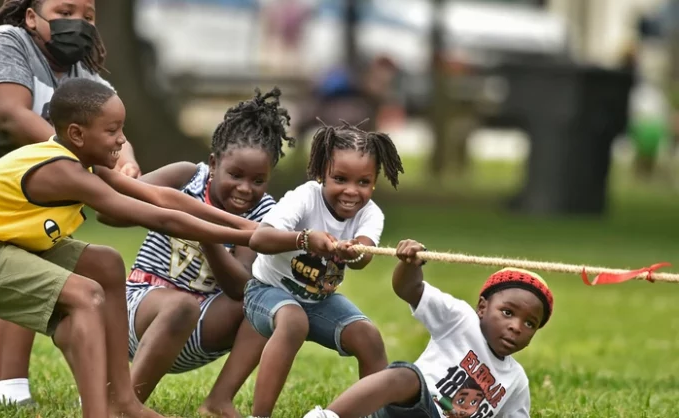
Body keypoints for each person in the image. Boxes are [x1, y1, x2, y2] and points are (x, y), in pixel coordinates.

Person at [0, 78, 257, 418]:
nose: (123, 140)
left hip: (0, 242)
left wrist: (248, 228)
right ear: (78, 135)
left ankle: (123, 402)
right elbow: (161, 218)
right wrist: (248, 237)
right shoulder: (64, 170)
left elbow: (163, 196)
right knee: (86, 295)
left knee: (107, 263)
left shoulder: (79, 159)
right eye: (112, 131)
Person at [0, 0, 141, 405]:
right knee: (27, 231)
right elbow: (11, 116)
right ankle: (9, 386)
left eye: (88, 16)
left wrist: (126, 165)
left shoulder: (80, 73)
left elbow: (112, 132)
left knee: (87, 274)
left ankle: (111, 397)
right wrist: (93, 173)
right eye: (65, 11)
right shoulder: (6, 42)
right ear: (32, 17)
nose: (78, 24)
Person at [110, 87, 295, 417]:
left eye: (258, 180)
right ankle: (123, 406)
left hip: (198, 331)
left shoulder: (266, 214)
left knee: (266, 304)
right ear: (213, 163)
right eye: (235, 175)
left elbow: (239, 287)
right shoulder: (185, 177)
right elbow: (110, 213)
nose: (244, 189)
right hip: (140, 312)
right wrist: (143, 193)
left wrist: (205, 235)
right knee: (180, 305)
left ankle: (218, 402)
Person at [244, 121, 405, 416]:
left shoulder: (371, 214)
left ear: (374, 182)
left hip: (318, 300)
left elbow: (364, 256)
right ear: (321, 175)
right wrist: (305, 240)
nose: (351, 191)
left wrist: (353, 251)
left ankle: (373, 414)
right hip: (266, 291)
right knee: (293, 322)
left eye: (363, 182)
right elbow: (259, 238)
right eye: (340, 179)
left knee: (368, 337)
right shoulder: (305, 197)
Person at [303, 240, 554, 418]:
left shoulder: (516, 380)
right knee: (404, 375)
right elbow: (409, 289)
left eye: (530, 323)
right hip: (413, 408)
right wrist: (411, 264)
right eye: (507, 312)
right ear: (482, 307)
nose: (516, 327)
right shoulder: (460, 319)